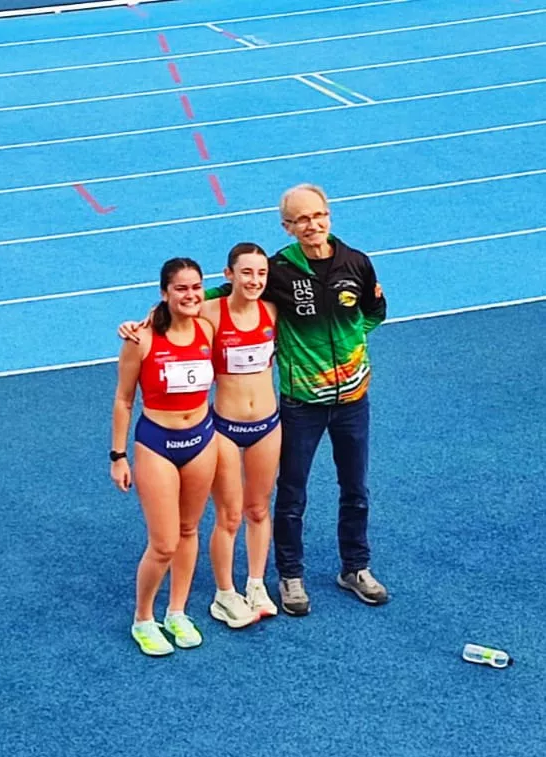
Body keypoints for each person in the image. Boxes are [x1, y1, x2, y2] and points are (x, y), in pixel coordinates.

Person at [119, 184, 388, 617]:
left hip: (349, 399)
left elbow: (373, 311)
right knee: (281, 497)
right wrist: (153, 314)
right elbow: (199, 299)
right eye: (301, 219)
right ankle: (282, 579)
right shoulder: (277, 270)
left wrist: (350, 348)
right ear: (287, 226)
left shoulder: (356, 263)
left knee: (352, 490)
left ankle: (352, 567)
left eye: (317, 215)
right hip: (292, 405)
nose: (312, 225)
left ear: (329, 215)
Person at [111, 257, 218, 656]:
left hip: (201, 441)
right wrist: (118, 455)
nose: (191, 295)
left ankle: (177, 611)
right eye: (181, 289)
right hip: (157, 444)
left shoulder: (208, 327)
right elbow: (123, 401)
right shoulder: (140, 339)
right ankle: (143, 617)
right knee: (164, 542)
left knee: (189, 531)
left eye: (196, 288)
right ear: (164, 293)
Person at [201, 243, 280, 628]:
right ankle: (224, 593)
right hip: (225, 429)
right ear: (229, 274)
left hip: (267, 425)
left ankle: (255, 584)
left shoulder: (273, 310)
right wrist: (142, 323)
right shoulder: (210, 313)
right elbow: (170, 320)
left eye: (261, 274)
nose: (255, 280)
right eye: (246, 272)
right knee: (229, 515)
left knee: (259, 509)